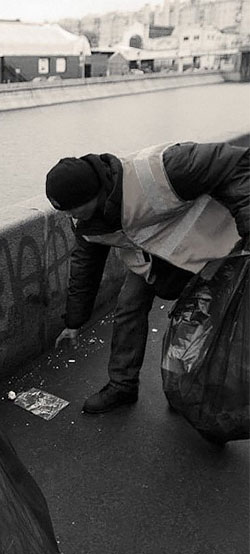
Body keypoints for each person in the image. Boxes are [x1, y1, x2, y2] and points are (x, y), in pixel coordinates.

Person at [46, 141, 249, 414]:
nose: (70, 216)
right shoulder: (86, 222)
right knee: (128, 305)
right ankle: (122, 386)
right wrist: (74, 322)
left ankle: (192, 392)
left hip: (213, 251)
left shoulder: (166, 167)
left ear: (91, 193)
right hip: (155, 261)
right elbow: (85, 269)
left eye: (72, 208)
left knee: (200, 323)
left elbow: (237, 163)